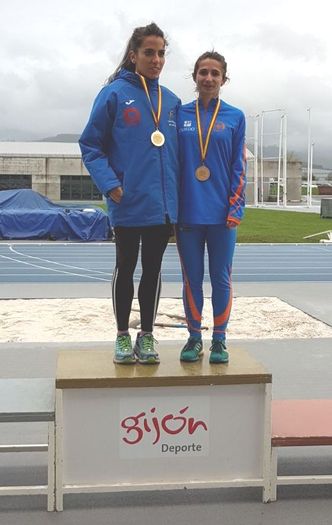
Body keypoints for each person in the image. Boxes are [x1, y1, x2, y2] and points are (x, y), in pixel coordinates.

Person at [79, 22, 180, 365]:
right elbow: (91, 145)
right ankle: (123, 335)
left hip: (161, 205)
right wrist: (111, 185)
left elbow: (184, 152)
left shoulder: (172, 100)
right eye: (149, 52)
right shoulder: (113, 94)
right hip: (127, 199)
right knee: (126, 266)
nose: (156, 59)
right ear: (133, 54)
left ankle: (147, 334)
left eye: (161, 53)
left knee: (153, 270)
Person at [176, 51, 246, 364]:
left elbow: (238, 166)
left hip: (222, 215)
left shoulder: (235, 116)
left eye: (214, 73)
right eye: (203, 72)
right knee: (192, 278)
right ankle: (194, 338)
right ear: (195, 77)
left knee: (221, 278)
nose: (208, 78)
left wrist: (236, 207)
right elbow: (172, 163)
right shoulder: (179, 114)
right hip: (188, 213)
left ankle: (219, 340)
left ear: (223, 79)